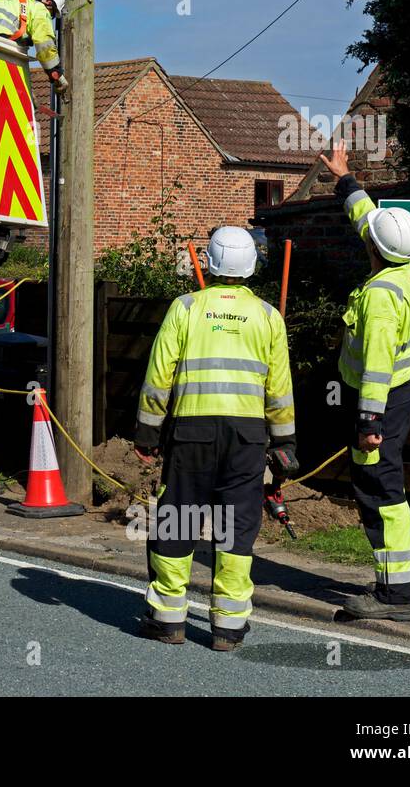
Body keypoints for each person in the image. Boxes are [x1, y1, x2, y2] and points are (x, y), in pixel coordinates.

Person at [134, 227, 296, 652]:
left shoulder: (185, 307)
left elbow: (158, 378)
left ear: (209, 262)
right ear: (251, 266)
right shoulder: (267, 316)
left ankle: (168, 620)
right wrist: (284, 442)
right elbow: (280, 389)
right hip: (247, 438)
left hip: (191, 433)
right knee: (236, 525)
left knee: (180, 518)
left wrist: (148, 433)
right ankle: (227, 628)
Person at [319, 140, 410, 620]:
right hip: (400, 392)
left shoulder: (381, 296)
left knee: (378, 482)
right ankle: (409, 578)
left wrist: (368, 420)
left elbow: (377, 365)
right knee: (386, 477)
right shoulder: (408, 269)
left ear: (373, 250)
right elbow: (369, 222)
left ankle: (396, 594)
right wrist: (346, 180)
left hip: (380, 399)